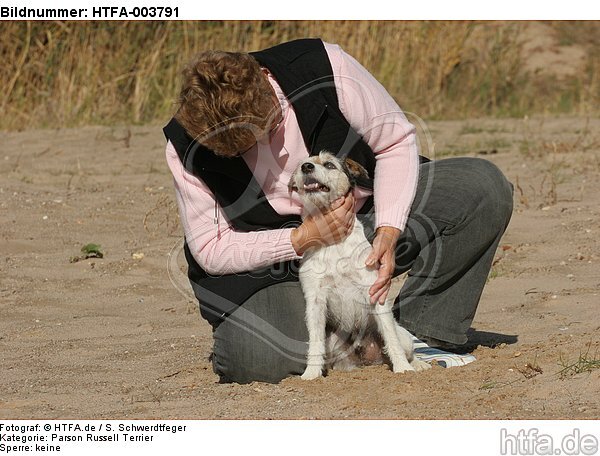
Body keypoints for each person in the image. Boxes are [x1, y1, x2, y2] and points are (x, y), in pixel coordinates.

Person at [163, 38, 513, 384]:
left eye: (266, 130)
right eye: (236, 151)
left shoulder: (323, 64)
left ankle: (420, 333)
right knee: (256, 361)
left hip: (366, 218)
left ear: (268, 86)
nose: (262, 151)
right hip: (271, 264)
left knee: (481, 187)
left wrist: (388, 231)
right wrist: (303, 238)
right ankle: (335, 340)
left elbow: (395, 142)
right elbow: (211, 249)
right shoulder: (185, 144)